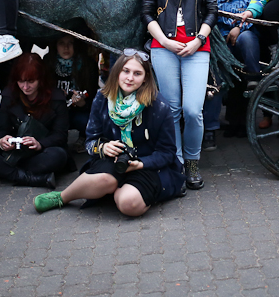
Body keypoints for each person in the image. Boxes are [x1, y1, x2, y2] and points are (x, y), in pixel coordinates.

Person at [33, 50, 185, 216]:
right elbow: (90, 143)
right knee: (105, 179)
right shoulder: (102, 98)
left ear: (146, 78)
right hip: (112, 161)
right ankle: (62, 197)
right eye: (125, 71)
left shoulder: (159, 106)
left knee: (129, 205)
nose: (130, 78)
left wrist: (140, 164)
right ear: (117, 72)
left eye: (137, 73)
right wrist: (103, 148)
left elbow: (167, 153)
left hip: (146, 165)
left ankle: (118, 191)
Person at [141, 0, 216, 189]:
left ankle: (193, 162)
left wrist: (198, 40)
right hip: (164, 46)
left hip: (197, 46)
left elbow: (211, 10)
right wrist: (164, 40)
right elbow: (147, 12)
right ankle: (177, 161)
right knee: (171, 109)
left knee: (192, 110)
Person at [0, 53, 68, 188]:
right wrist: (2, 140)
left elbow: (60, 135)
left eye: (31, 81)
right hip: (13, 151)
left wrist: (40, 144)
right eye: (21, 81)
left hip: (39, 152)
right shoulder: (10, 94)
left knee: (59, 156)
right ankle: (27, 178)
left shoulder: (56, 98)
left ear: (41, 79)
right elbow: (1, 127)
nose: (25, 87)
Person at [214, 0, 260, 140]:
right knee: (234, 87)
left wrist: (237, 28)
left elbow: (255, 18)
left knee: (247, 37)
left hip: (244, 44)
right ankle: (233, 124)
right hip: (224, 46)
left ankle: (253, 74)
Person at [45, 35, 98, 152]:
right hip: (55, 111)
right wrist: (55, 95)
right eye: (61, 43)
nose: (66, 47)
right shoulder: (49, 62)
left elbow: (94, 97)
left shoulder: (87, 65)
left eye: (71, 43)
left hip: (78, 112)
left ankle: (85, 137)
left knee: (87, 121)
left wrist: (83, 103)